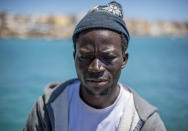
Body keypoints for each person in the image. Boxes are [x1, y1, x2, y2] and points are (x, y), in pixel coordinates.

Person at [24, 1, 166, 131]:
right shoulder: (46, 109)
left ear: (124, 60)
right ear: (75, 57)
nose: (96, 67)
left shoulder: (146, 122)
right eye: (85, 57)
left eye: (108, 57)